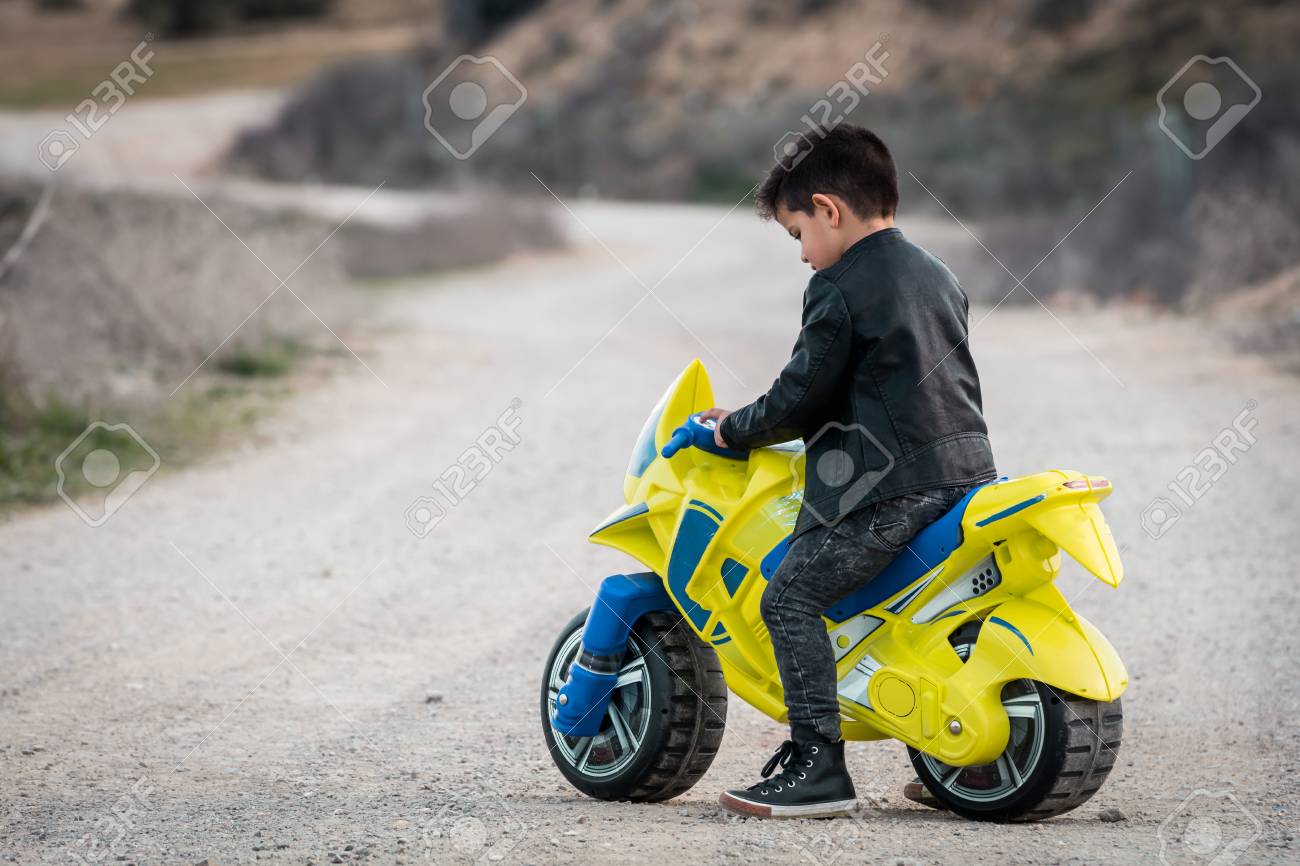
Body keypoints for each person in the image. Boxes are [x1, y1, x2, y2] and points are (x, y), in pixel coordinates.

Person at [700, 123, 998, 819]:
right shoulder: (938, 272)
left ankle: (817, 767)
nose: (803, 255)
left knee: (789, 597)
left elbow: (801, 395)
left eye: (798, 232)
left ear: (830, 210)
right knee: (939, 612)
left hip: (892, 490)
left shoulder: (840, 286)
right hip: (969, 476)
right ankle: (970, 766)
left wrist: (730, 429)